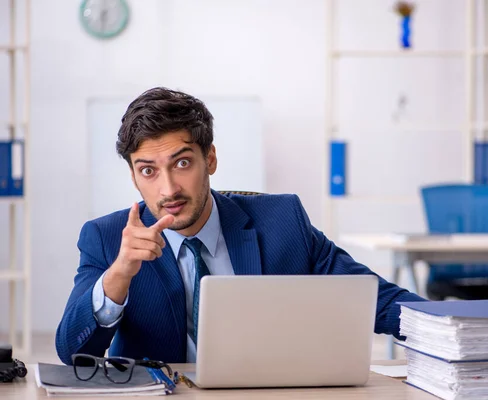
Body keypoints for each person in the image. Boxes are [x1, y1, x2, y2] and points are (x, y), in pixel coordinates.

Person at [55, 87, 426, 365]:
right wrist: (119, 275)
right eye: (148, 171)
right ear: (135, 177)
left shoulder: (283, 221)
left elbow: (376, 301)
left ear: (210, 159)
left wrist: (464, 333)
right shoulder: (106, 238)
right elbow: (71, 352)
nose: (167, 189)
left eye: (182, 163)